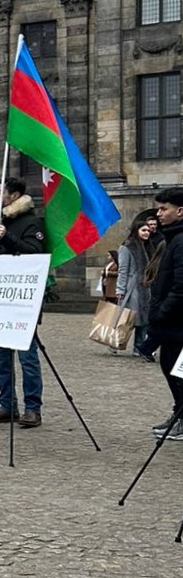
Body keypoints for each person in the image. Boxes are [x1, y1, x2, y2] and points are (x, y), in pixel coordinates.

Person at [0, 178, 47, 428]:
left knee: (27, 358)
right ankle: (7, 404)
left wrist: (7, 238)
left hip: (21, 305)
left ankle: (33, 408)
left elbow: (35, 255)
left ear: (15, 195)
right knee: (0, 358)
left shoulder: (32, 222)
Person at [145, 188, 183, 439]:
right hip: (171, 322)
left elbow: (181, 286)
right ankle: (179, 413)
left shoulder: (180, 240)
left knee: (176, 369)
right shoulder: (172, 237)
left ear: (180, 211)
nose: (159, 214)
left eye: (163, 209)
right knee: (170, 368)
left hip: (177, 323)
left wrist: (161, 313)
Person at [118, 211, 162, 360]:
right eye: (143, 230)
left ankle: (139, 346)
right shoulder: (127, 247)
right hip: (132, 288)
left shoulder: (149, 247)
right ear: (136, 231)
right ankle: (116, 342)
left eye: (148, 231)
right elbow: (123, 270)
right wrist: (120, 289)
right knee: (129, 319)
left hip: (146, 287)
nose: (147, 233)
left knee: (144, 320)